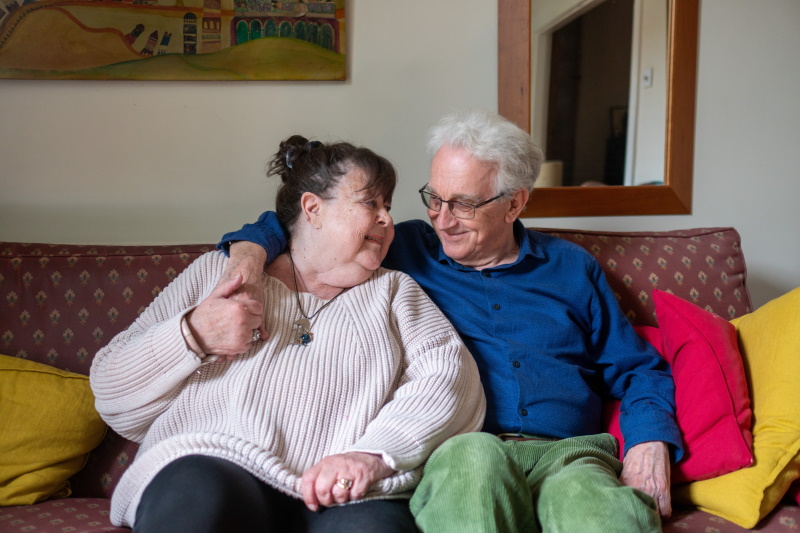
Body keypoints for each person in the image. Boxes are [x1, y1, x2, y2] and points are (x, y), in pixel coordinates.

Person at [218, 111, 685, 532]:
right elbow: (300, 224)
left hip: (567, 453)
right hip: (460, 446)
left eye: (463, 204)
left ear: (514, 204)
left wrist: (650, 442)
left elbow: (638, 369)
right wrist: (249, 254)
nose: (442, 220)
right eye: (434, 198)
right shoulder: (402, 250)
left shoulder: (572, 267)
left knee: (597, 509)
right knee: (473, 463)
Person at [90, 135, 485, 533]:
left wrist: (373, 455)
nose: (386, 219)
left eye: (388, 207)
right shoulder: (221, 274)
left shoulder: (395, 292)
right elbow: (110, 393)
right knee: (195, 495)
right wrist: (193, 334)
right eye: (370, 203)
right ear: (313, 209)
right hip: (217, 461)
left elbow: (451, 380)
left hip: (345, 490)